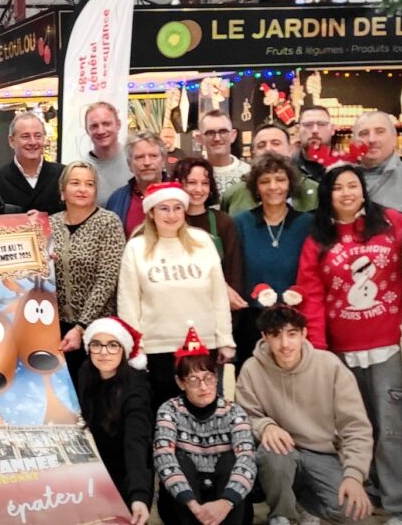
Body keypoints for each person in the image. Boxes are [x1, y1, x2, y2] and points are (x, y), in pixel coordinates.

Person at [295, 164, 402, 525]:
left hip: (390, 346)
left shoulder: (392, 223)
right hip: (342, 350)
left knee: (392, 428)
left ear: (363, 190)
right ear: (327, 195)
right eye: (338, 188)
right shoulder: (319, 236)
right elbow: (312, 295)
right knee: (357, 426)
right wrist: (319, 349)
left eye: (353, 186)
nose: (347, 193)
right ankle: (368, 490)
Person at [236, 305, 374, 525]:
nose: (285, 344)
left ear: (304, 334)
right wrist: (265, 426)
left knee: (353, 513)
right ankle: (281, 514)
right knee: (274, 454)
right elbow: (242, 417)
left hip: (322, 453)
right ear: (264, 337)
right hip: (281, 452)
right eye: (275, 336)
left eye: (292, 334)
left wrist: (354, 475)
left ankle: (303, 503)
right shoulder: (252, 368)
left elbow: (355, 427)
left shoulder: (330, 366)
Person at [117, 182, 235, 411]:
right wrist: (135, 349)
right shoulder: (136, 247)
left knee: (204, 412)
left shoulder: (202, 242)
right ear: (151, 212)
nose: (172, 215)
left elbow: (219, 295)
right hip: (157, 349)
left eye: (177, 207)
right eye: (164, 208)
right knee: (163, 415)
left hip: (202, 345)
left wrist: (225, 340)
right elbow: (128, 302)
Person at [153, 329, 256, 525]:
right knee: (179, 459)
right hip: (185, 501)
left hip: (226, 500)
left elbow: (247, 460)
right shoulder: (169, 410)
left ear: (216, 378)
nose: (203, 387)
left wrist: (225, 503)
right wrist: (194, 506)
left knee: (230, 459)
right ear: (180, 383)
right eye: (193, 380)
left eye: (208, 377)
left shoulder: (234, 412)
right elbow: (163, 458)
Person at [231, 153, 313, 369]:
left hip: (296, 320)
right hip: (252, 323)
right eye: (265, 181)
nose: (273, 187)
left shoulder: (307, 224)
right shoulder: (240, 223)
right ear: (256, 187)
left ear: (290, 184)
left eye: (280, 179)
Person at [50, 161, 126, 380]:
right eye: (75, 183)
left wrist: (81, 327)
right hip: (56, 329)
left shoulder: (108, 222)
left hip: (97, 328)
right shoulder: (50, 224)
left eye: (89, 184)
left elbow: (107, 279)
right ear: (63, 190)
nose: (82, 189)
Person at [77, 318, 152, 525]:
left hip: (128, 470)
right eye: (96, 344)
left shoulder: (136, 389)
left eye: (112, 345)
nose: (103, 352)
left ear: (123, 350)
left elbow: (136, 443)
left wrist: (139, 496)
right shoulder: (86, 372)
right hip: (95, 470)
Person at [174, 158, 245, 309]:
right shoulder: (170, 222)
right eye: (192, 182)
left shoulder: (224, 222)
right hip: (178, 306)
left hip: (216, 308)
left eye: (205, 183)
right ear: (178, 184)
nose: (199, 189)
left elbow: (234, 273)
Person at [221, 124, 319, 215]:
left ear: (290, 149)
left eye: (276, 143)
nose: (268, 148)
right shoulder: (234, 195)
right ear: (253, 153)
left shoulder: (315, 191)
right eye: (261, 145)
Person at [0, 111, 65, 214]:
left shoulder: (63, 175)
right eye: (25, 136)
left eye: (38, 136)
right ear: (11, 141)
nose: (33, 142)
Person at [353, 111, 402, 213]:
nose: (372, 139)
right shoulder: (338, 180)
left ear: (394, 139)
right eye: (364, 133)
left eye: (380, 131)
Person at [105, 131, 169, 236]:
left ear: (163, 160)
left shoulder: (179, 195)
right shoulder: (116, 200)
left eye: (153, 156)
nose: (147, 162)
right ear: (129, 164)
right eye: (139, 157)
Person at [82, 101, 133, 205]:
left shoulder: (135, 160)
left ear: (118, 125)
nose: (101, 131)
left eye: (106, 124)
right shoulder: (82, 170)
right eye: (94, 126)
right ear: (87, 130)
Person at [195, 110, 249, 194]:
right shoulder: (194, 175)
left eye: (223, 132)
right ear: (199, 138)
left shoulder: (248, 173)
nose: (217, 138)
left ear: (233, 135)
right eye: (210, 133)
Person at [294, 105, 334, 182]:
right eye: (308, 125)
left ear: (332, 129)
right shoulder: (288, 168)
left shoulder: (347, 167)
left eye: (322, 124)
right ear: (297, 130)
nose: (315, 130)